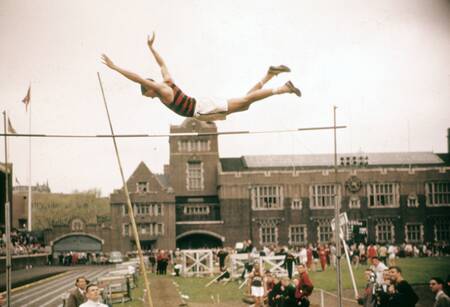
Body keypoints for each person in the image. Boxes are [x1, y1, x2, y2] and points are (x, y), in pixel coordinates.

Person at [101, 32, 301, 122]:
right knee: (245, 104)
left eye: (149, 96)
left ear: (150, 89)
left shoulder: (161, 90)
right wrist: (151, 48)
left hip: (202, 109)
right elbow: (162, 65)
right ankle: (268, 75)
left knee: (245, 101)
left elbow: (137, 78)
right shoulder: (167, 81)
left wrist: (115, 67)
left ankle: (283, 89)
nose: (152, 98)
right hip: (203, 106)